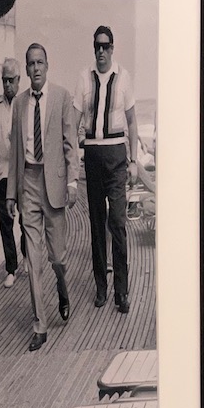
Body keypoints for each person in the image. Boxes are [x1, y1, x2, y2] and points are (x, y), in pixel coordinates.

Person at [7, 43, 79, 352]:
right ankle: (40, 325)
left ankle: (62, 289)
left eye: (40, 62)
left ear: (47, 66)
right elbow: (13, 155)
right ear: (26, 70)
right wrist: (11, 193)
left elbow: (70, 144)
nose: (36, 68)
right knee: (32, 259)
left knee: (57, 259)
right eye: (31, 63)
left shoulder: (62, 97)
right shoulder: (19, 104)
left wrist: (73, 182)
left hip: (55, 185)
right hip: (29, 184)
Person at [78, 25, 140, 313]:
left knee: (117, 223)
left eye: (105, 46)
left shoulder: (124, 78)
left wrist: (133, 160)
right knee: (96, 224)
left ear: (112, 48)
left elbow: (132, 122)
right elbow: (74, 117)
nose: (100, 51)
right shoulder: (84, 78)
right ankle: (101, 288)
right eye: (96, 46)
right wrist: (75, 147)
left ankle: (122, 292)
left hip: (116, 156)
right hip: (92, 155)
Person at [0, 56, 26, 288]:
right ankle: (11, 267)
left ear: (19, 80)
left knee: (25, 220)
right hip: (1, 175)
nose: (7, 85)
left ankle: (27, 256)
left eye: (11, 80)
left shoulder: (25, 105)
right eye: (4, 80)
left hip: (21, 175)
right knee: (5, 224)